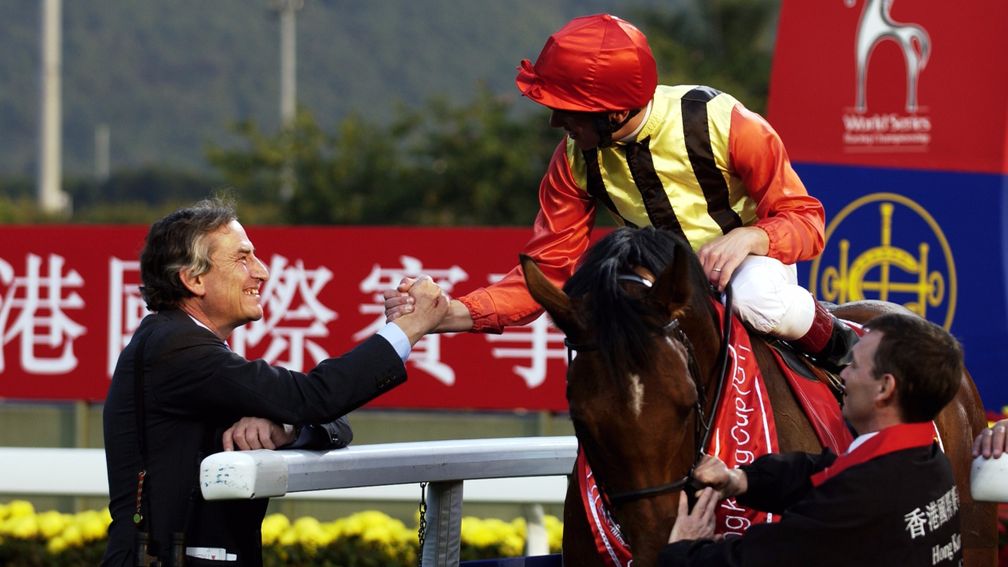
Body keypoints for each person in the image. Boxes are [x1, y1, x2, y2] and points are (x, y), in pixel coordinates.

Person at [383, 13, 856, 370]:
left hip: (748, 269)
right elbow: (548, 272)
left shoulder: (724, 121)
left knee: (757, 300)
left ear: (613, 112)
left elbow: (806, 221)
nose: (556, 122)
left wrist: (752, 237)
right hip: (655, 284)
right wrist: (450, 313)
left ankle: (845, 350)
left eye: (567, 110)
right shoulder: (574, 159)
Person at [102, 199, 448, 566]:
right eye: (243, 259)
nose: (263, 272)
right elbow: (315, 396)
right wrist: (408, 329)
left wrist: (286, 428)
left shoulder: (185, 344)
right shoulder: (178, 348)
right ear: (194, 279)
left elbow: (331, 420)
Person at [659, 312, 964, 566]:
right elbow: (826, 472)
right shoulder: (929, 461)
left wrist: (682, 551)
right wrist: (741, 480)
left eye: (855, 366)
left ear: (885, 388)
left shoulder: (862, 497)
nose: (843, 375)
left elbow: (758, 559)